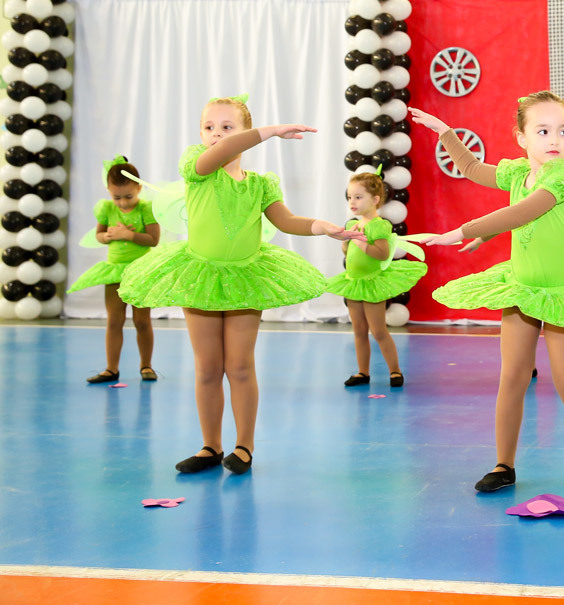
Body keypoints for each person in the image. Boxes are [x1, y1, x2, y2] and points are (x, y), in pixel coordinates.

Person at [409, 92, 564, 493]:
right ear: (521, 137)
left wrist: (463, 232)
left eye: (563, 131)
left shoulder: (562, 177)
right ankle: (503, 464)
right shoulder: (517, 173)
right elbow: (471, 168)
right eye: (543, 131)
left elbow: (523, 212)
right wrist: (445, 132)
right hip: (522, 290)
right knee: (512, 378)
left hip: (561, 293)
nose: (554, 139)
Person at [120, 95, 363, 474]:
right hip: (201, 276)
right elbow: (220, 153)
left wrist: (324, 227)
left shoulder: (260, 185)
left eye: (227, 127)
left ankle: (244, 446)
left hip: (245, 279)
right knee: (207, 368)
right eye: (209, 127)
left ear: (245, 132)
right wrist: (270, 132)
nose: (216, 134)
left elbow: (286, 221)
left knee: (240, 366)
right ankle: (210, 446)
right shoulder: (197, 167)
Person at [326, 169, 426, 388]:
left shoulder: (379, 225)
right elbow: (348, 253)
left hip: (372, 283)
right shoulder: (352, 224)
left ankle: (395, 370)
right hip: (354, 282)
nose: (352, 202)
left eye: (358, 197)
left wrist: (359, 241)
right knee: (359, 331)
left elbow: (381, 253)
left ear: (375, 200)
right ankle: (363, 372)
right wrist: (346, 241)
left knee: (379, 331)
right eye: (350, 197)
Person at [69, 156, 160, 383]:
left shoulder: (146, 208)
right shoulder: (107, 208)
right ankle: (111, 368)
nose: (123, 203)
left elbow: (153, 239)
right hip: (114, 271)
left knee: (142, 321)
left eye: (128, 197)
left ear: (138, 188)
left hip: (140, 272)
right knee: (114, 320)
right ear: (109, 191)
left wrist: (127, 235)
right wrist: (107, 236)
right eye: (116, 197)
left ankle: (146, 365)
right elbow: (99, 235)